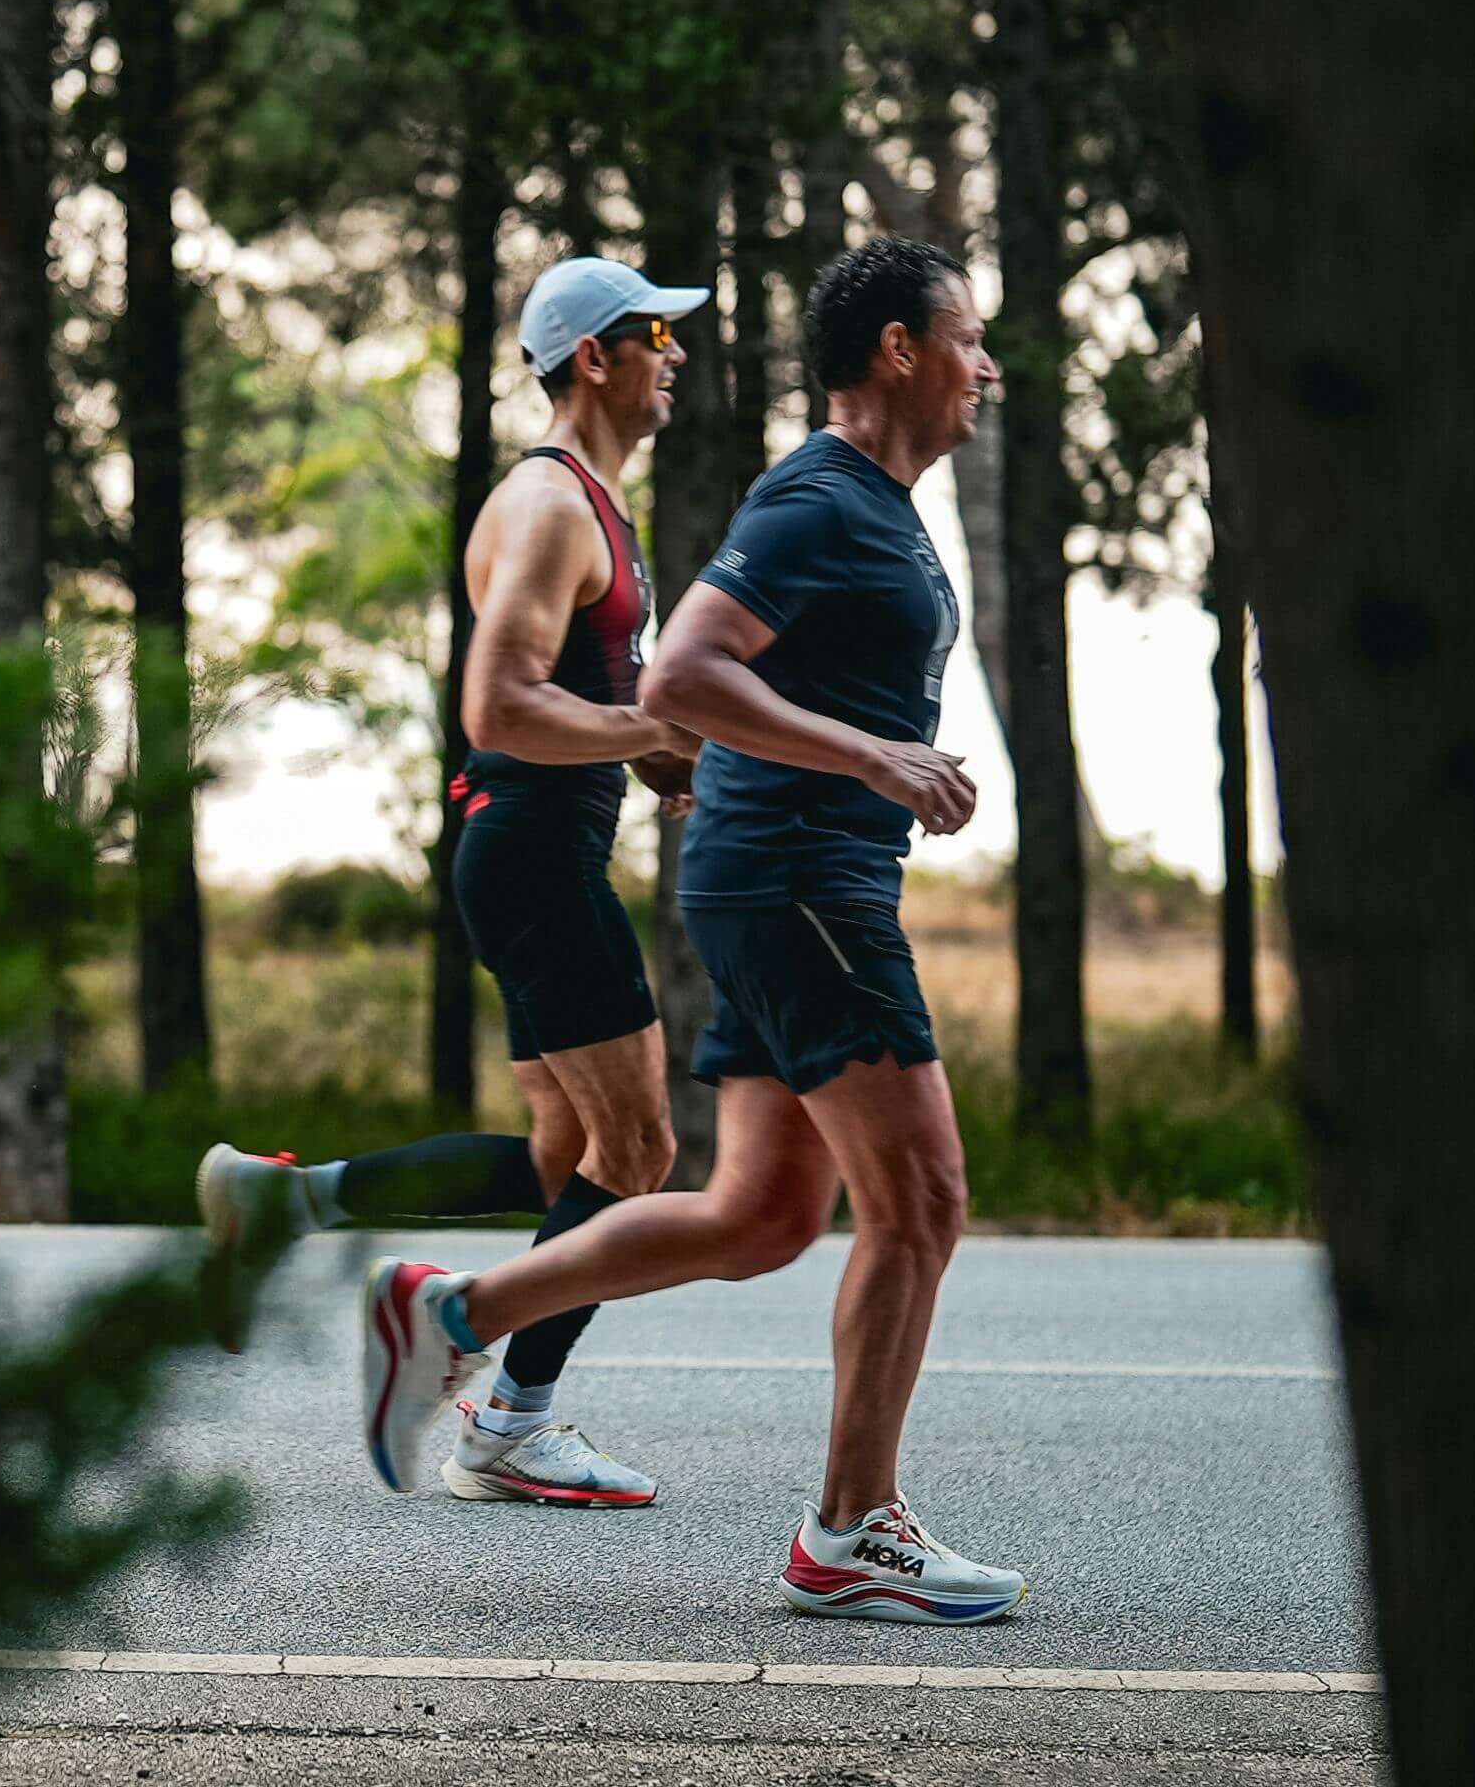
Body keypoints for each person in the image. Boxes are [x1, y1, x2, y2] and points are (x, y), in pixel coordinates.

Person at [350, 236, 1027, 1623]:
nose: (985, 366)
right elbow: (683, 671)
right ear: (897, 350)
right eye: (966, 336)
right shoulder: (815, 496)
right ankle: (852, 1529)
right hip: (796, 885)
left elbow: (698, 692)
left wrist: (727, 764)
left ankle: (460, 1316)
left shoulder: (868, 505)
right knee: (924, 1201)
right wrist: (872, 760)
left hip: (772, 871)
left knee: (760, 1210)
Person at [197, 255, 707, 1508]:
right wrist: (642, 735)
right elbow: (499, 701)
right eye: (658, 334)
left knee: (561, 1162)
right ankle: (507, 1415)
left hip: (528, 840)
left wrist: (643, 744)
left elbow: (561, 692)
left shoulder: (588, 499)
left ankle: (291, 1200)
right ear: (596, 356)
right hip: (533, 850)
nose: (677, 354)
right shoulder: (548, 504)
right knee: (638, 1149)